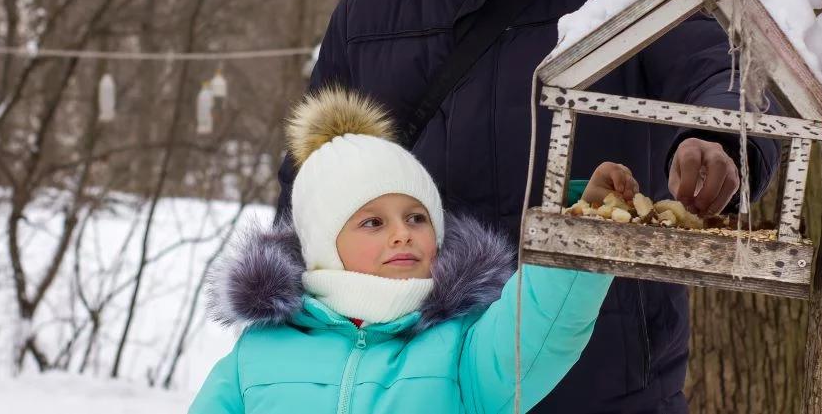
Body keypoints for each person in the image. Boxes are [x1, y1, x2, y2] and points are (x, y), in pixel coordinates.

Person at [274, 0, 780, 412]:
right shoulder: (371, 11)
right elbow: (311, 187)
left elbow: (723, 71)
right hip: (419, 386)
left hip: (606, 382)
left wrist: (720, 142)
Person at [191, 88, 616, 412]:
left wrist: (582, 225)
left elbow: (548, 322)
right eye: (372, 222)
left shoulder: (463, 348)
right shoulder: (260, 350)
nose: (402, 234)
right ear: (323, 244)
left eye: (416, 217)